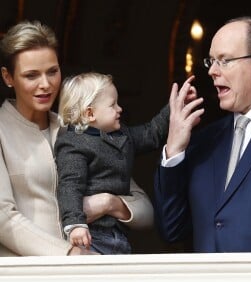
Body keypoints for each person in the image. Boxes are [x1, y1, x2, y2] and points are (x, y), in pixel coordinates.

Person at [0, 20, 155, 256]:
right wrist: (70, 255)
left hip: (87, 277)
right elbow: (3, 218)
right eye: (31, 75)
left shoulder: (81, 130)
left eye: (52, 71)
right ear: (8, 77)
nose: (46, 84)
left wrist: (108, 203)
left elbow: (144, 211)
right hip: (28, 281)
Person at [154, 16, 251, 252]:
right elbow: (172, 229)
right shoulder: (203, 141)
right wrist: (174, 151)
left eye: (224, 60)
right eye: (211, 61)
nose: (212, 71)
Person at [55, 72, 195, 254]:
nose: (120, 109)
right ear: (89, 113)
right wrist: (75, 224)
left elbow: (151, 133)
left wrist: (174, 107)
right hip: (91, 236)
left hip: (118, 235)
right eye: (112, 105)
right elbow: (70, 185)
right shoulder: (73, 144)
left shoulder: (122, 136)